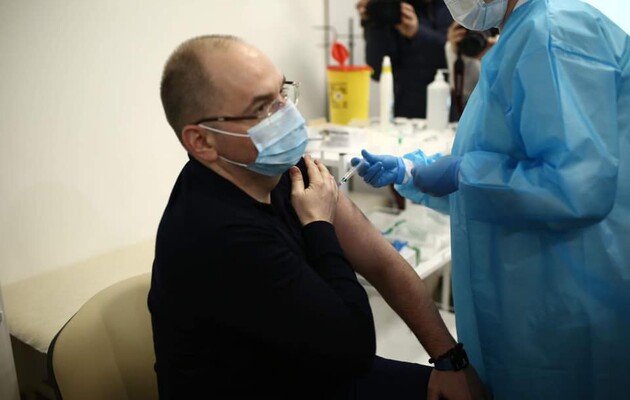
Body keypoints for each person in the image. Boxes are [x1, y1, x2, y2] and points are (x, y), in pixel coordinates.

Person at [149, 34, 489, 399]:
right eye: (262, 108)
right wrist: (318, 226)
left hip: (305, 365)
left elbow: (381, 262)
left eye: (282, 93)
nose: (287, 115)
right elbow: (354, 349)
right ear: (202, 141)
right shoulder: (220, 234)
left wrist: (450, 360)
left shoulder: (280, 169)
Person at [351, 0, 630, 398]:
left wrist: (462, 175)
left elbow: (573, 187)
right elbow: (506, 173)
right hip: (531, 297)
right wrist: (414, 173)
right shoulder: (523, 33)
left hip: (565, 305)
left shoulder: (555, 29)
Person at [356, 0, 453, 118]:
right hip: (404, 113)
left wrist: (417, 33)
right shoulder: (393, 7)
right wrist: (372, 21)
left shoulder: (455, 7)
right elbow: (377, 70)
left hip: (449, 109)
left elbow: (459, 57)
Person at [444, 21, 496, 120]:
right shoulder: (457, 46)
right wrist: (456, 52)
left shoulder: (504, 42)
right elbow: (463, 91)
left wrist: (498, 55)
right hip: (469, 114)